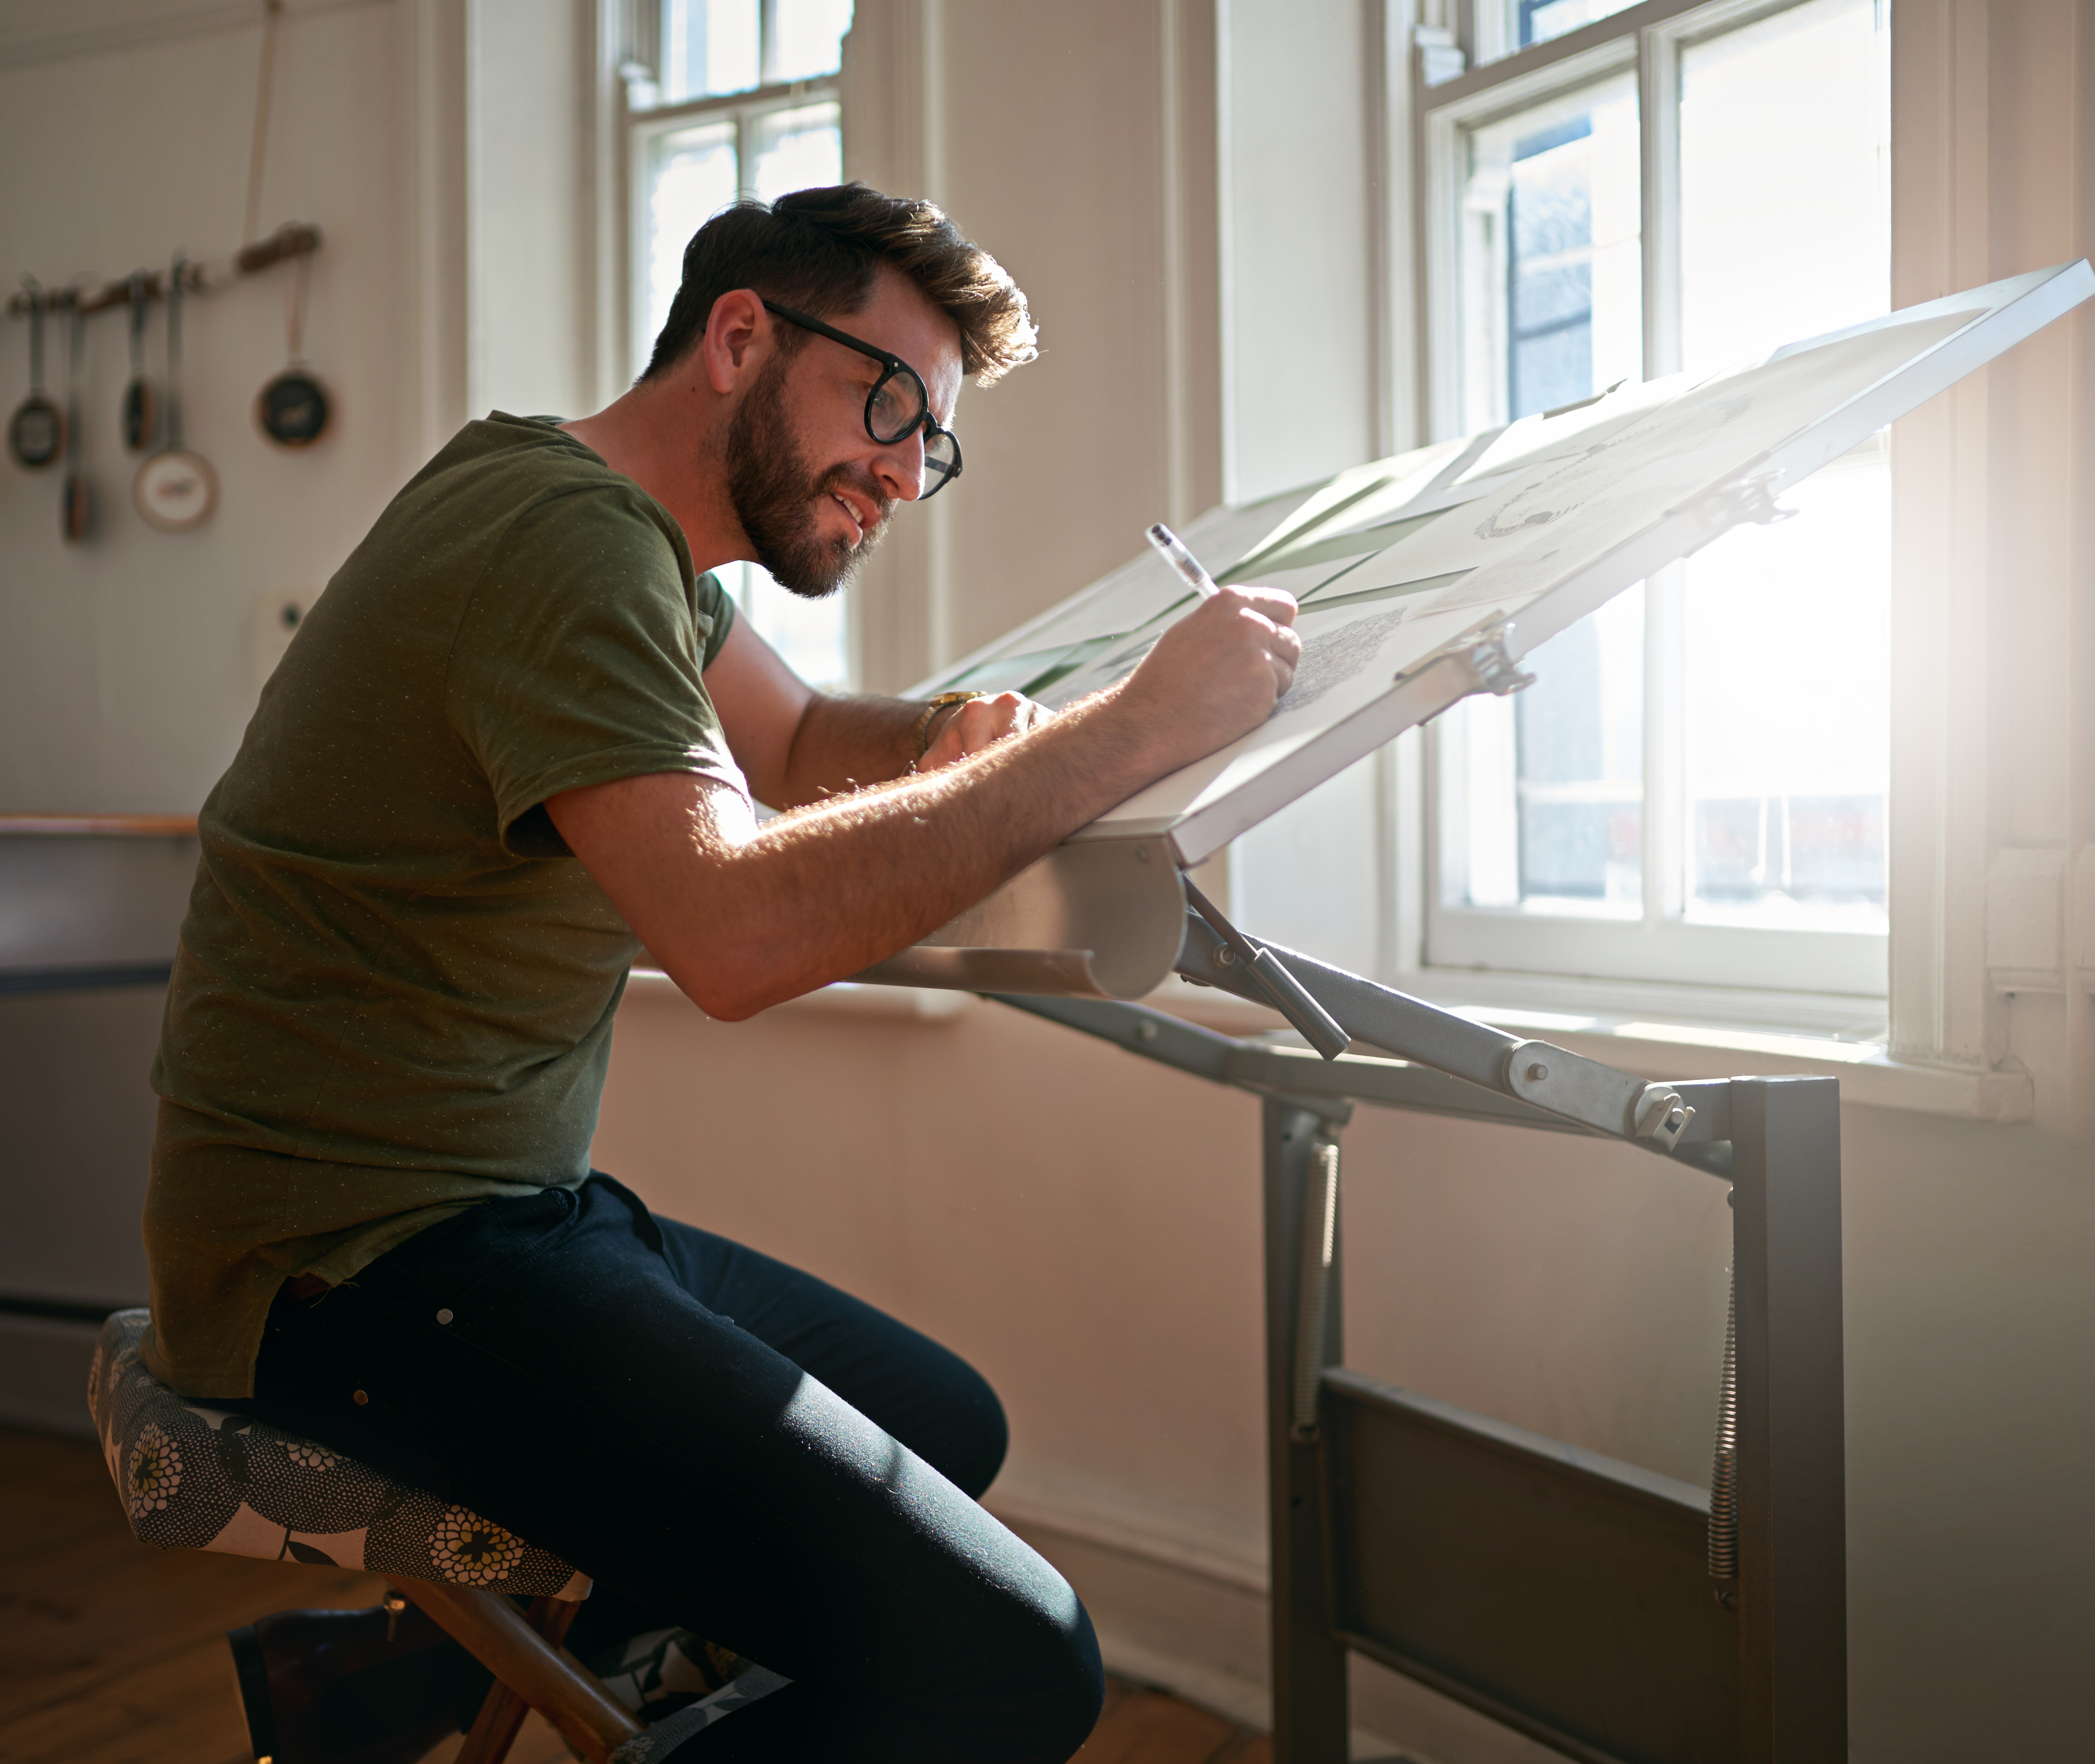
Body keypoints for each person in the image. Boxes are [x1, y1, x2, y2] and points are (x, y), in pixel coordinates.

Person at [145, 183, 1300, 1764]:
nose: (903, 469)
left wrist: (994, 731)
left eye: (930, 437)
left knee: (943, 1420)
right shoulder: (563, 544)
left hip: (481, 1216)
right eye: (883, 400)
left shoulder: (627, 548)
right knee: (1014, 1665)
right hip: (352, 1270)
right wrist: (1139, 731)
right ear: (739, 337)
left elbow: (812, 745)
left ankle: (369, 1691)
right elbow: (737, 932)